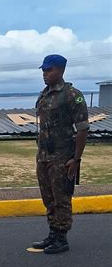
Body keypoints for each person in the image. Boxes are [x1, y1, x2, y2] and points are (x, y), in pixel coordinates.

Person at [31, 54, 89, 254]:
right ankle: (53, 232)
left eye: (49, 70)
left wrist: (76, 158)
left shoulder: (72, 94)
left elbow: (82, 129)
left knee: (62, 197)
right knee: (48, 197)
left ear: (61, 70)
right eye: (44, 70)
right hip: (44, 155)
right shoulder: (44, 95)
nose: (45, 74)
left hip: (63, 157)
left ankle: (62, 237)